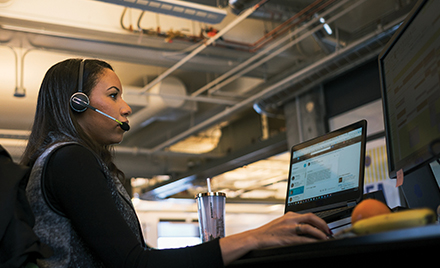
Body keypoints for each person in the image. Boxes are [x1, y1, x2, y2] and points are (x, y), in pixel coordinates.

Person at [22, 58, 331, 268]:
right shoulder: (70, 159)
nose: (126, 108)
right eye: (114, 95)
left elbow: (136, 257)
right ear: (79, 102)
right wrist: (256, 236)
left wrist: (248, 243)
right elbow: (134, 263)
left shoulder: (60, 158)